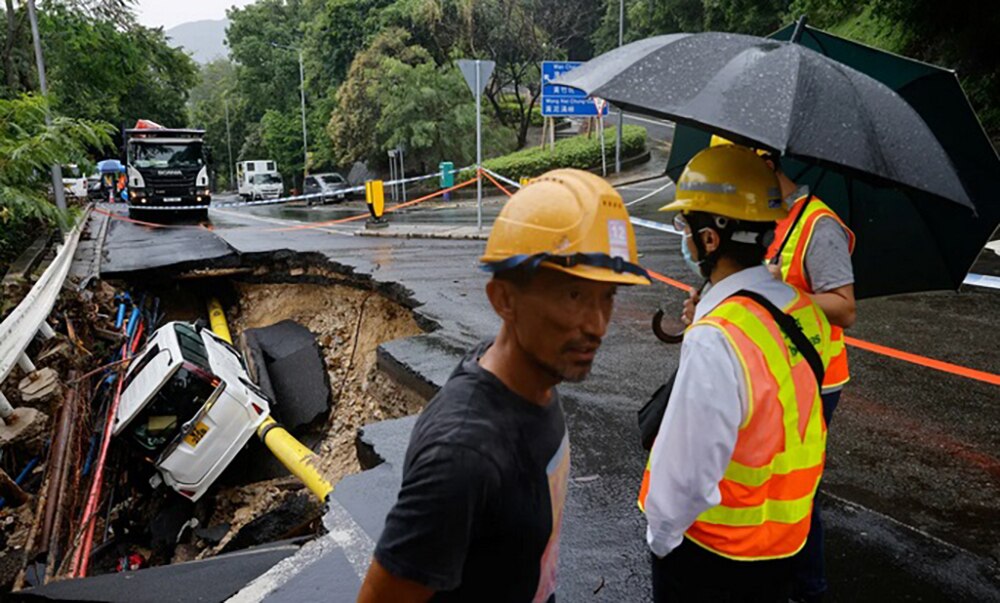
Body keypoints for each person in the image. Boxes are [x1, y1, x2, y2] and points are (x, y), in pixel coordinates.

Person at [357, 169, 650, 603]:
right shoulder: (463, 457)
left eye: (608, 296)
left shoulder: (536, 378)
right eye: (573, 295)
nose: (597, 325)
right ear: (503, 300)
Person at [640, 144, 833, 602]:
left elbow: (684, 476)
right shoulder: (801, 310)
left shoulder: (717, 336)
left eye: (684, 224)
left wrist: (661, 540)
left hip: (711, 559)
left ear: (710, 239)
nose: (682, 236)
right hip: (784, 544)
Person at [689, 137, 857, 601]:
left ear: (764, 163)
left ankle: (807, 587)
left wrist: (773, 296)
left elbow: (844, 307)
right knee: (758, 479)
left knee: (797, 487)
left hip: (812, 377)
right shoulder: (763, 219)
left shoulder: (818, 226)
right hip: (767, 366)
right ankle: (769, 571)